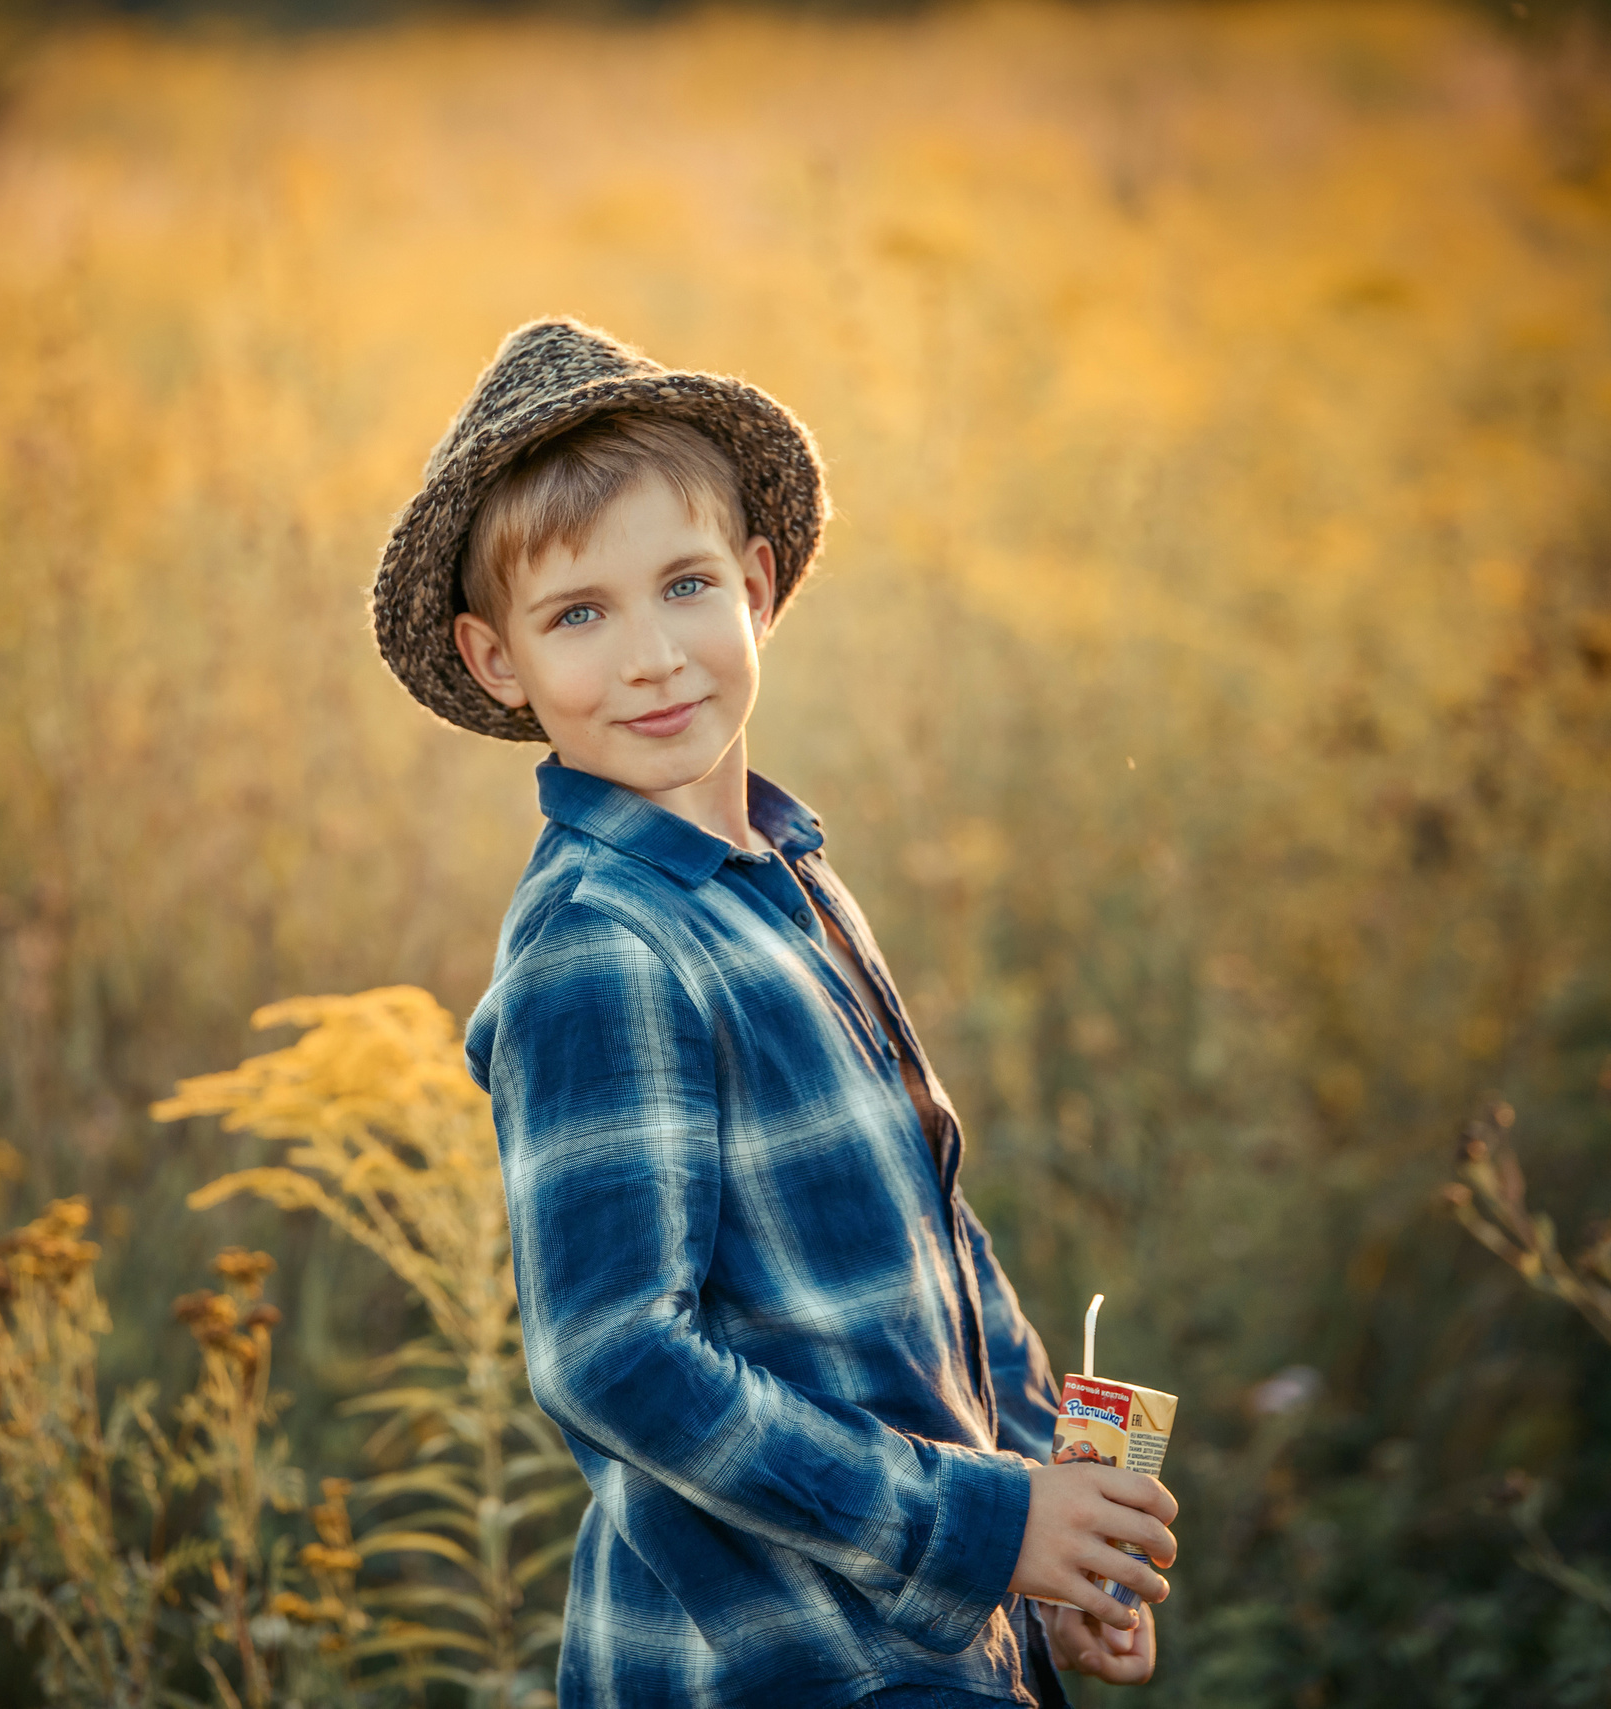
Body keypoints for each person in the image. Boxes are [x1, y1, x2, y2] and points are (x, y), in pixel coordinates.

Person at [370, 318, 1178, 1708]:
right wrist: (987, 1528)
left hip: (935, 1644)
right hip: (776, 1658)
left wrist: (1062, 1522)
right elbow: (617, 1355)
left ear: (755, 585)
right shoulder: (599, 950)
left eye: (685, 585)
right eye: (579, 614)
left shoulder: (790, 876)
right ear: (497, 660)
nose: (652, 658)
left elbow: (938, 1243)